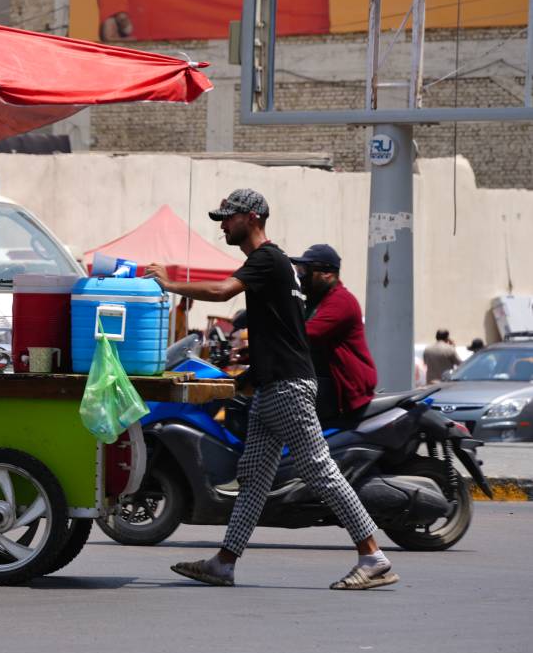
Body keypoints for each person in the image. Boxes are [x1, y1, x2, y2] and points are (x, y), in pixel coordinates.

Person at [144, 188, 396, 590]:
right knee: (255, 477)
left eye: (229, 217)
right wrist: (242, 382)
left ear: (254, 217)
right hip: (273, 387)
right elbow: (283, 335)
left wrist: (171, 283)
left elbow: (223, 291)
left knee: (320, 470)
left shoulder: (266, 259)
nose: (223, 225)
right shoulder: (281, 269)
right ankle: (224, 563)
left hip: (287, 389)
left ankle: (373, 557)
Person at [291, 244, 377, 422]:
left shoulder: (341, 301)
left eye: (306, 270)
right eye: (299, 270)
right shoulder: (314, 303)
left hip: (344, 395)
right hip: (323, 389)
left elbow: (307, 334)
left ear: (327, 274)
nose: (301, 277)